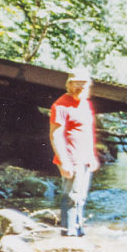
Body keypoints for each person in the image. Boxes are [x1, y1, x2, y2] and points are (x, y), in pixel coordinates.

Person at [49, 67, 100, 237]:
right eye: (77, 82)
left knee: (81, 197)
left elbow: (88, 131)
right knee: (70, 196)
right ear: (69, 84)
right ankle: (68, 233)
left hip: (85, 158)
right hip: (70, 158)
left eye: (84, 83)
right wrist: (64, 161)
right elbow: (55, 135)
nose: (81, 86)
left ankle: (79, 230)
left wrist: (92, 155)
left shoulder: (85, 103)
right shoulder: (60, 105)